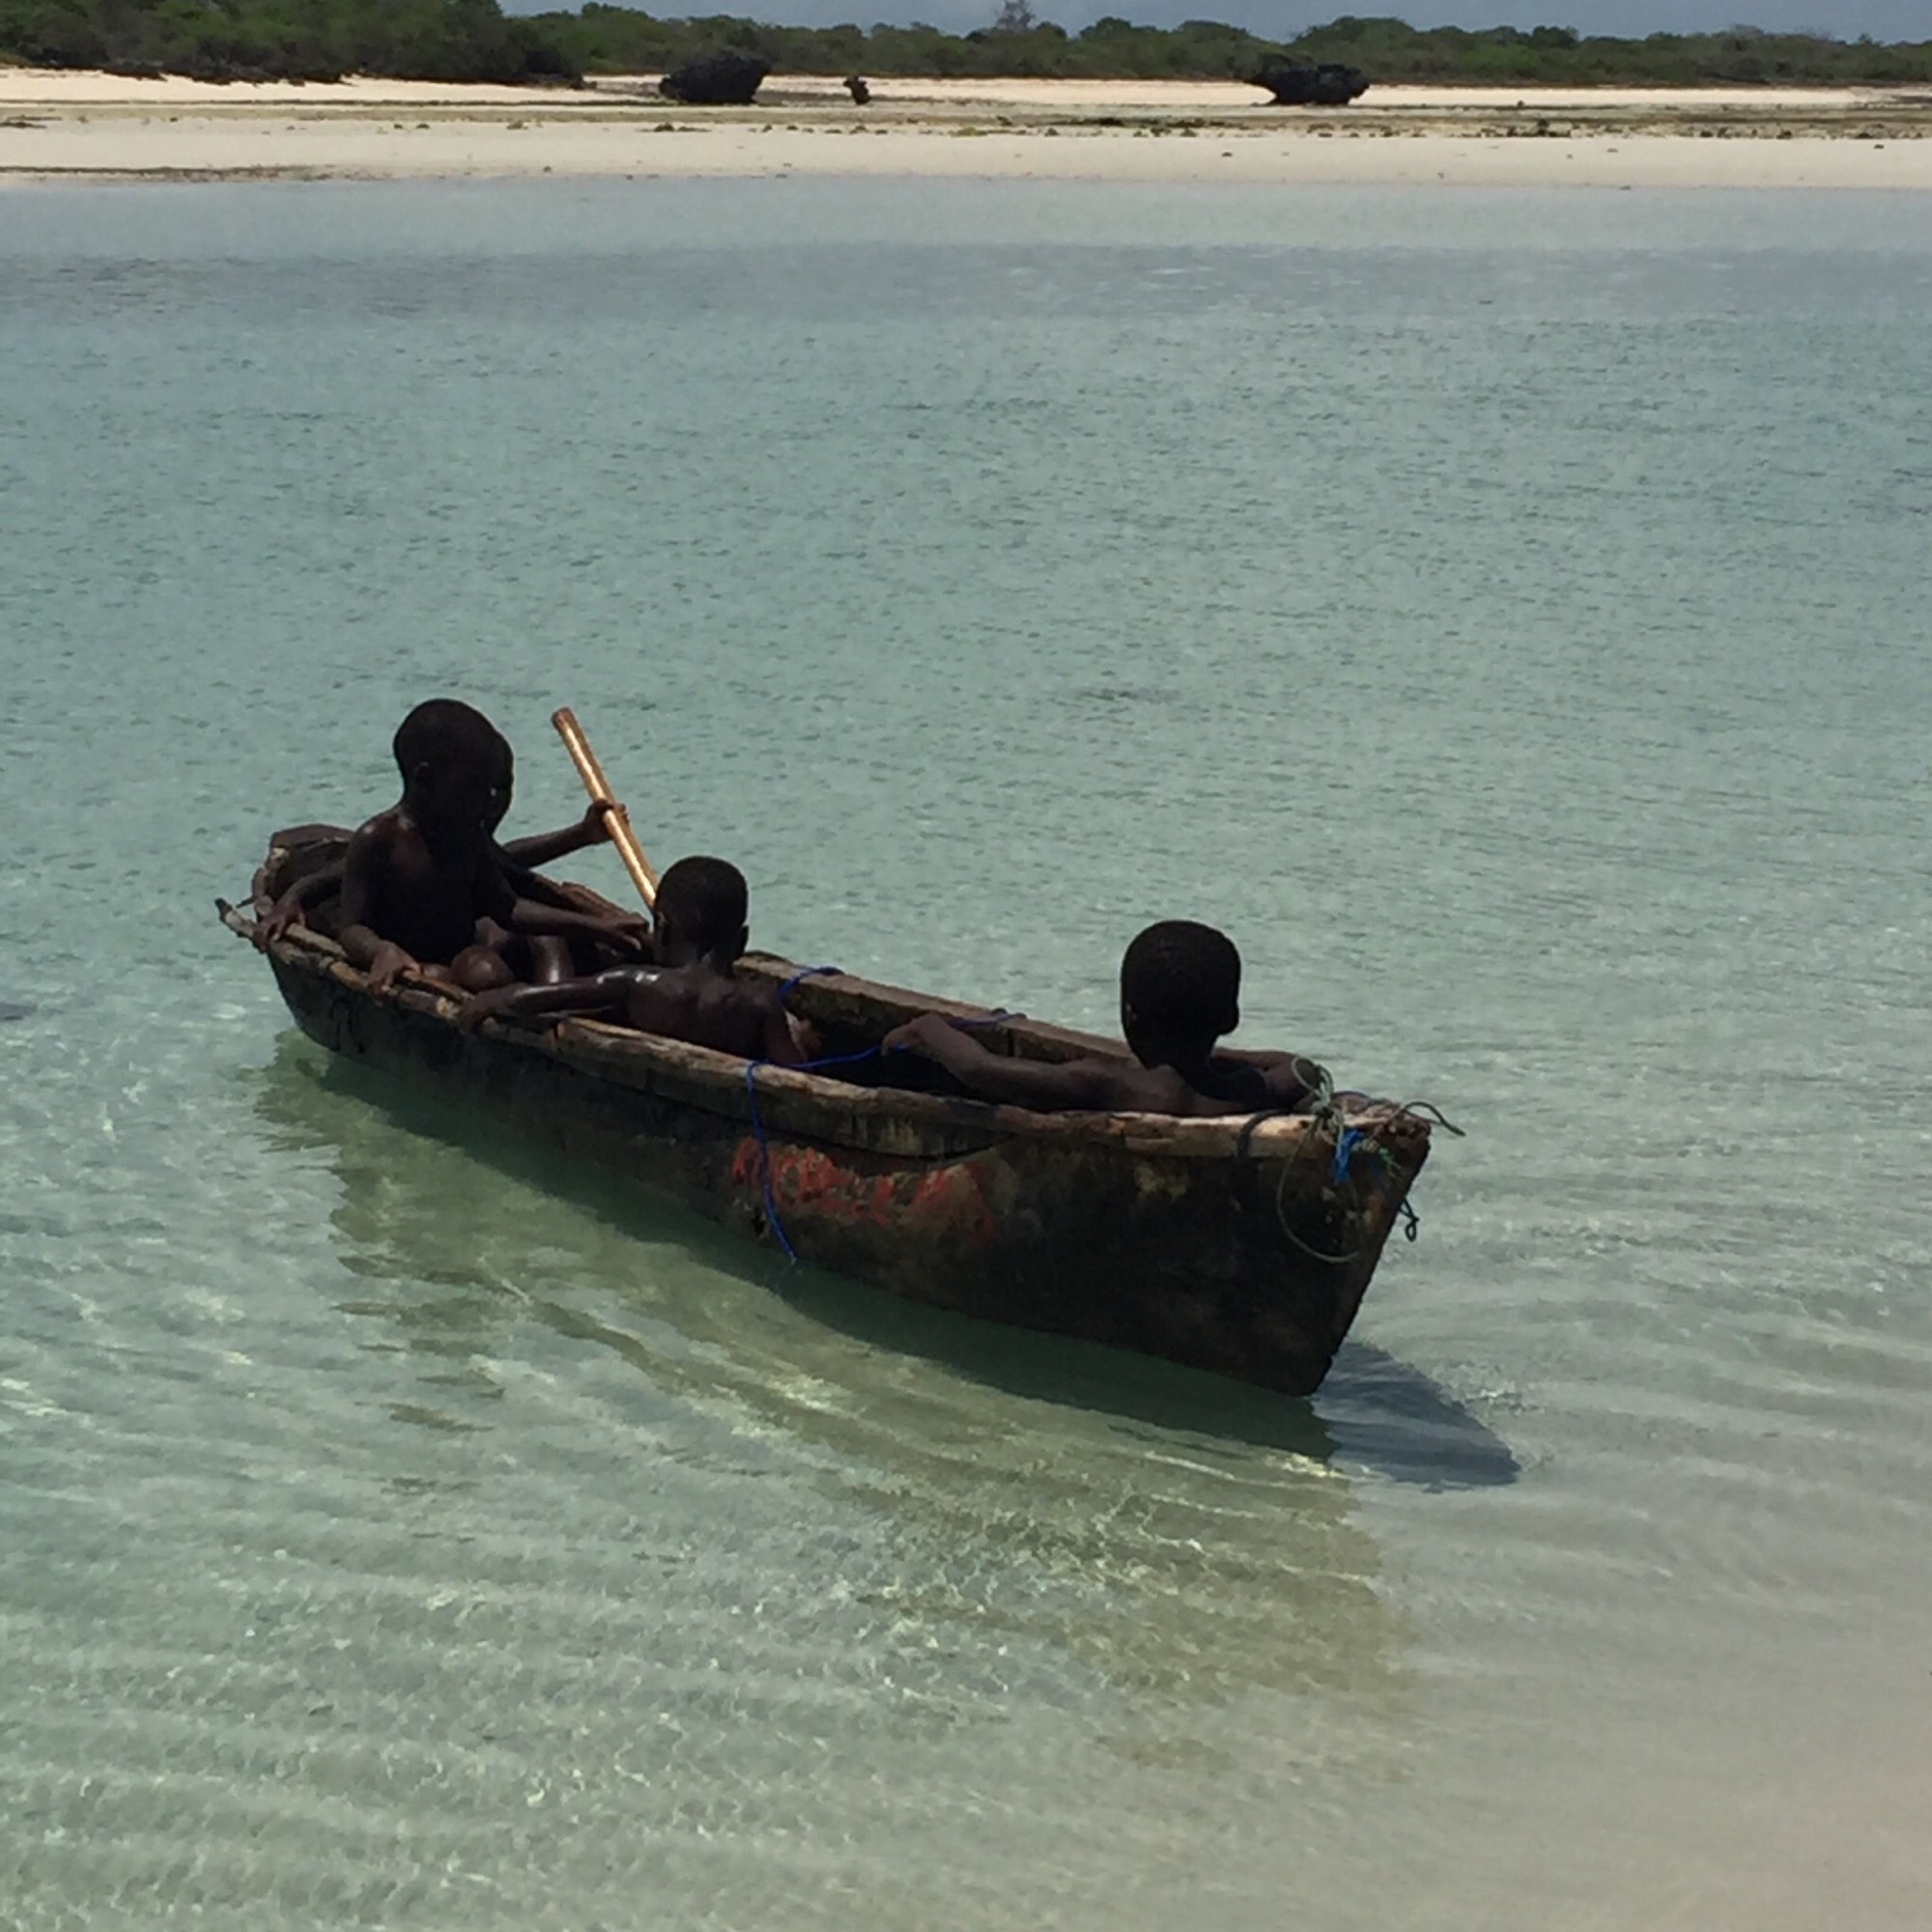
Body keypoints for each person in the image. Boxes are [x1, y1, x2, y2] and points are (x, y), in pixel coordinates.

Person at [334, 699, 647, 996]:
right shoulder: (379, 839)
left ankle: (549, 1005)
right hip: (413, 965)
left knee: (486, 972)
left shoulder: (465, 834)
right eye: (473, 787)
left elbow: (508, 908)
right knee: (460, 977)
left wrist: (597, 927)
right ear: (425, 780)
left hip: (463, 955)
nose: (487, 801)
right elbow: (352, 926)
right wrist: (381, 950)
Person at [883, 919, 1326, 1117]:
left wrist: (926, 1027)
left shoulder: (1107, 1084)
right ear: (1228, 1018)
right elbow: (1301, 1067)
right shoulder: (1255, 1089)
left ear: (1129, 1015)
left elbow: (979, 1068)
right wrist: (1212, 1060)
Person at [457, 854, 803, 1065]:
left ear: (662, 930)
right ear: (741, 941)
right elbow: (792, 1070)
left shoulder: (634, 983)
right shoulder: (759, 1002)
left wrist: (490, 1001)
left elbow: (552, 996)